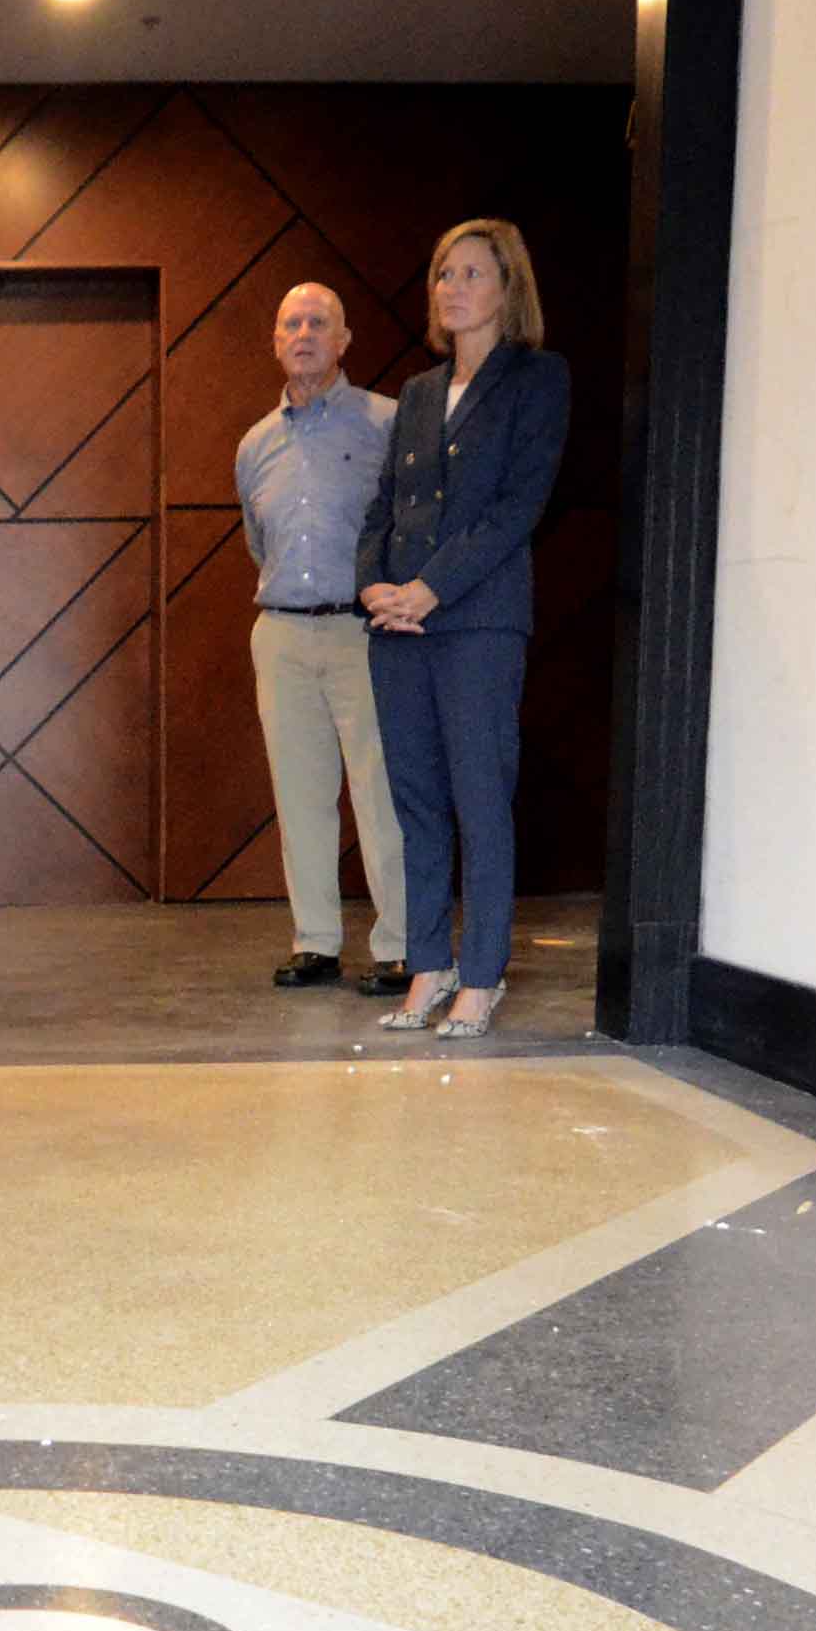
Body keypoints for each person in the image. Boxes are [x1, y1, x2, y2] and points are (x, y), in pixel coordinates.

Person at [362, 216, 573, 1040]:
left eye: (473, 274)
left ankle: (480, 973)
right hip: (398, 627)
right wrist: (374, 586)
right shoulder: (417, 392)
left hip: (477, 619)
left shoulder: (539, 378)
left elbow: (518, 508)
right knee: (415, 801)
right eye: (444, 275)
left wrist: (430, 589)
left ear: (509, 287)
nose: (453, 289)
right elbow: (384, 506)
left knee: (480, 798)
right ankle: (427, 964)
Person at [233, 281, 412, 995]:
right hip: (281, 632)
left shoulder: (387, 424)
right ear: (276, 341)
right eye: (290, 323)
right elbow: (258, 542)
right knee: (300, 794)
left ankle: (400, 944)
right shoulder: (254, 445)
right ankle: (316, 942)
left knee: (381, 792)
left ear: (343, 340)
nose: (303, 333)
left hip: (364, 633)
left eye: (318, 322)